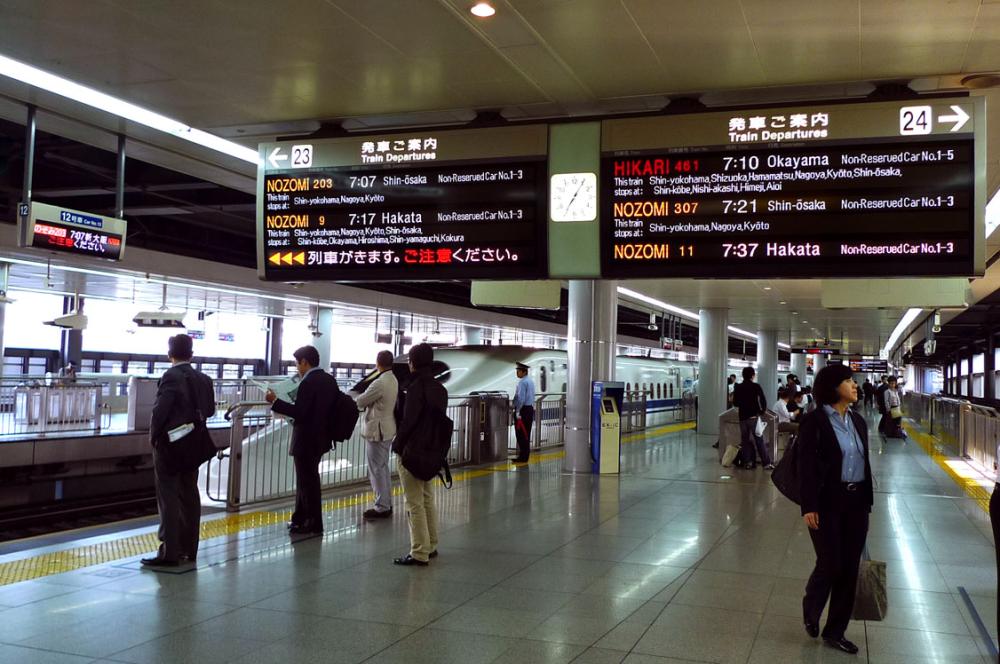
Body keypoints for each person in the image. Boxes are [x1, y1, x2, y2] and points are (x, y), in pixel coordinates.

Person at [798, 363, 873, 655]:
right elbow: (806, 467)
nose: (855, 386)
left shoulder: (858, 421)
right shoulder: (814, 422)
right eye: (848, 381)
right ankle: (811, 606)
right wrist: (809, 505)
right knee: (831, 563)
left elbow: (863, 463)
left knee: (849, 570)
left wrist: (867, 501)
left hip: (856, 503)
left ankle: (835, 631)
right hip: (827, 503)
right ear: (832, 387)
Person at [142, 334, 215, 567]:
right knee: (190, 495)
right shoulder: (204, 378)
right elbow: (210, 410)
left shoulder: (170, 376)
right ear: (191, 354)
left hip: (171, 445)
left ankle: (169, 552)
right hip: (194, 443)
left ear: (169, 354)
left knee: (168, 497)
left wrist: (153, 437)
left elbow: (160, 411)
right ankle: (189, 549)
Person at [266, 346, 340, 536]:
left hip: (306, 439)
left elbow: (300, 412)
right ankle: (300, 517)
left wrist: (275, 402)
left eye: (297, 364)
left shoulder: (308, 382)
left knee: (307, 482)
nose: (297, 368)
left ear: (305, 362)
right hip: (322, 438)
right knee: (308, 480)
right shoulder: (329, 380)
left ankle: (313, 522)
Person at [392, 343, 448, 566]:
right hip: (431, 452)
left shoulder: (414, 388)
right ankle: (431, 544)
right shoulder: (440, 389)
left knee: (413, 502)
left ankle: (419, 552)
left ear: (412, 363)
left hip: (412, 452)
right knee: (427, 498)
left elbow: (409, 422)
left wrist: (398, 445)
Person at [354, 350, 398, 520]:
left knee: (376, 469)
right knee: (383, 468)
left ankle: (382, 506)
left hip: (377, 431)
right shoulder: (393, 379)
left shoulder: (379, 382)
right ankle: (386, 502)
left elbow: (361, 401)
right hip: (387, 428)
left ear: (377, 363)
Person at [732, 366, 773, 470]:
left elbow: (735, 403)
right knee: (759, 440)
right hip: (753, 418)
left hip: (742, 419)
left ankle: (748, 463)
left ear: (743, 375)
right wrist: (762, 411)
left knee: (745, 441)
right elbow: (763, 399)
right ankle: (766, 463)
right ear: (753, 375)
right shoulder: (756, 386)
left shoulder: (738, 387)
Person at [511, 361, 536, 463]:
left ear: (524, 372)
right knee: (526, 434)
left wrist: (517, 411)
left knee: (521, 434)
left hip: (523, 410)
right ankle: (525, 456)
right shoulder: (530, 381)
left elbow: (521, 399)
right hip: (529, 409)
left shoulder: (522, 383)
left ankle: (523, 457)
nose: (517, 373)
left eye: (518, 371)